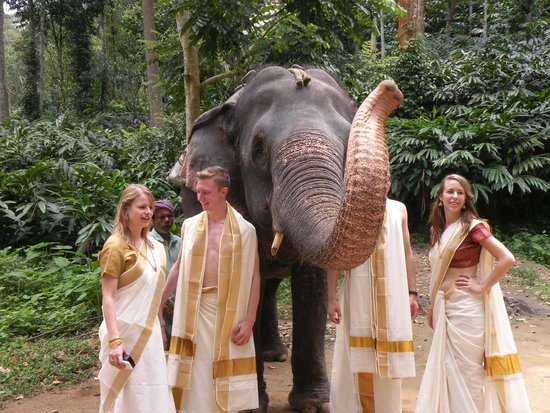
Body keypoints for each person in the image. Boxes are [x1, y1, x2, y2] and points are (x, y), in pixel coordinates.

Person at [415, 174, 531, 412]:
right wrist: (432, 309)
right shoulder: (436, 230)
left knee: (468, 374)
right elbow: (438, 272)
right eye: (450, 192)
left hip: (466, 307)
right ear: (440, 198)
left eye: (460, 193)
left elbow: (507, 258)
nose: (455, 196)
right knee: (447, 370)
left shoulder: (472, 227)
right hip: (443, 305)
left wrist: (482, 285)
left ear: (466, 199)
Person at [160, 166, 261, 412]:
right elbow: (178, 268)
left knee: (220, 370)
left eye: (206, 192)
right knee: (194, 372)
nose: (199, 198)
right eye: (198, 191)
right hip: (194, 308)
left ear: (223, 192)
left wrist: (249, 321)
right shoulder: (190, 225)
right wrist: (158, 304)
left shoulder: (246, 230)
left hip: (227, 311)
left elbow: (254, 277)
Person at [328, 198, 418, 413]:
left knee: (390, 361)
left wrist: (412, 293)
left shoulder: (399, 208)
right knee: (359, 357)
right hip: (358, 294)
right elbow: (336, 256)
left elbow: (407, 252)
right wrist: (331, 298)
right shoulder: (349, 207)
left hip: (392, 296)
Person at [97, 184, 175, 413]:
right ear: (125, 210)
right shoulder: (115, 246)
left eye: (150, 207)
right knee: (127, 392)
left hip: (148, 333)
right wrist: (115, 340)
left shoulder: (154, 246)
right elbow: (108, 297)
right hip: (123, 332)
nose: (148, 212)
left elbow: (153, 295)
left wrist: (160, 325)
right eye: (141, 207)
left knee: (151, 388)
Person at [149, 199, 182, 347]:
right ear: (153, 220)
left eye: (169, 216)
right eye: (162, 217)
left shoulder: (181, 242)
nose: (167, 220)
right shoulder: (147, 243)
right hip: (156, 309)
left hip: (180, 309)